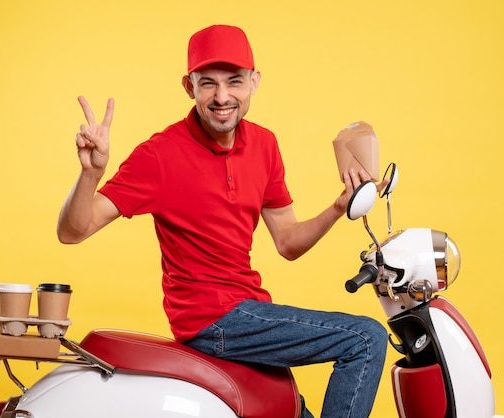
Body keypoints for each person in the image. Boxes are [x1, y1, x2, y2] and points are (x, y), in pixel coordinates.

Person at [57, 24, 387, 418]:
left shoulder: (264, 145)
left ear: (254, 81)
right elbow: (72, 231)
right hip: (211, 319)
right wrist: (90, 174)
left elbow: (288, 242)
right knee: (365, 338)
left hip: (250, 312)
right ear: (188, 85)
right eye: (207, 83)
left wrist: (338, 208)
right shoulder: (160, 154)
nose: (222, 96)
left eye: (235, 81)